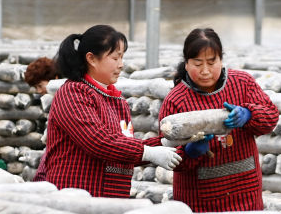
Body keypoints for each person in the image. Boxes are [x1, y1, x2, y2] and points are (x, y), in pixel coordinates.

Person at [33, 24, 180, 198]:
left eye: (122, 58)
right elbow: (98, 141)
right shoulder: (74, 93)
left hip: (112, 196)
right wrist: (149, 152)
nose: (121, 65)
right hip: (79, 196)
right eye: (115, 58)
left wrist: (167, 143)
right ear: (92, 59)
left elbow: (124, 149)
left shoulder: (117, 100)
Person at [159, 27, 279, 211]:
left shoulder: (242, 83)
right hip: (200, 199)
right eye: (198, 64)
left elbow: (271, 117)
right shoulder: (176, 100)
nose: (205, 71)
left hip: (245, 190)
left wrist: (248, 115)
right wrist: (190, 152)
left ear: (221, 60)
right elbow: (167, 155)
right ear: (187, 63)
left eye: (211, 62)